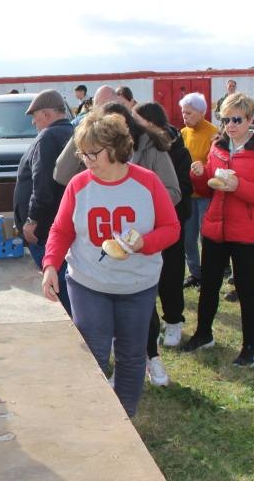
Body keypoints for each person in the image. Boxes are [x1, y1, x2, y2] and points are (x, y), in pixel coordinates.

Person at [41, 111, 180, 417]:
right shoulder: (78, 186)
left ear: (116, 148)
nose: (86, 159)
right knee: (94, 351)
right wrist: (51, 265)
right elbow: (61, 229)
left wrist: (145, 243)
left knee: (132, 354)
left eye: (94, 153)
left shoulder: (148, 182)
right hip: (88, 282)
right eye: (83, 153)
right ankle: (92, 415)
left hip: (138, 285)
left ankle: (124, 416)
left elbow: (172, 229)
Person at [180, 93, 254, 366]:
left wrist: (239, 187)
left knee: (247, 289)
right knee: (209, 284)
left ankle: (250, 349)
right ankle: (204, 333)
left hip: (249, 230)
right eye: (225, 119)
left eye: (236, 119)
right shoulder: (219, 146)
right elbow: (209, 188)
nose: (230, 125)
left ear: (250, 119)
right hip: (216, 227)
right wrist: (200, 175)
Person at [135, 102, 193, 361]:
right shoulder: (136, 146)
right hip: (146, 225)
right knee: (150, 277)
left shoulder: (176, 148)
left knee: (171, 273)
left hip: (172, 221)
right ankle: (152, 326)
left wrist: (152, 204)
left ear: (152, 123)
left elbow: (181, 188)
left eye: (138, 121)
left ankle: (173, 321)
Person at [15, 89, 75, 316]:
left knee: (57, 280)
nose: (33, 122)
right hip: (62, 222)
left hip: (46, 227)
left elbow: (42, 185)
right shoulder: (72, 133)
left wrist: (32, 220)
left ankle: (75, 325)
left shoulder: (48, 137)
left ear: (48, 114)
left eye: (36, 116)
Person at [178, 92, 218, 289]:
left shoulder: (213, 133)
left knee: (206, 237)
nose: (185, 117)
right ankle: (195, 273)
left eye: (189, 113)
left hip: (205, 194)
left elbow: (215, 163)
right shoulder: (183, 133)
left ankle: (210, 274)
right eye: (183, 113)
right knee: (188, 237)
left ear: (202, 112)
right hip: (187, 194)